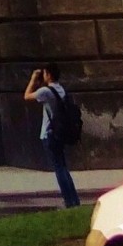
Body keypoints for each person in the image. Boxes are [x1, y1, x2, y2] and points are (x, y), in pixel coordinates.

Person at [26, 64, 81, 208]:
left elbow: (27, 96)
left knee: (59, 168)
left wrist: (32, 79)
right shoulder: (61, 89)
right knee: (63, 166)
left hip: (49, 133)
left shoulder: (46, 91)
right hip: (60, 133)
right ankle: (74, 199)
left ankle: (68, 201)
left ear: (49, 75)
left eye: (44, 74)